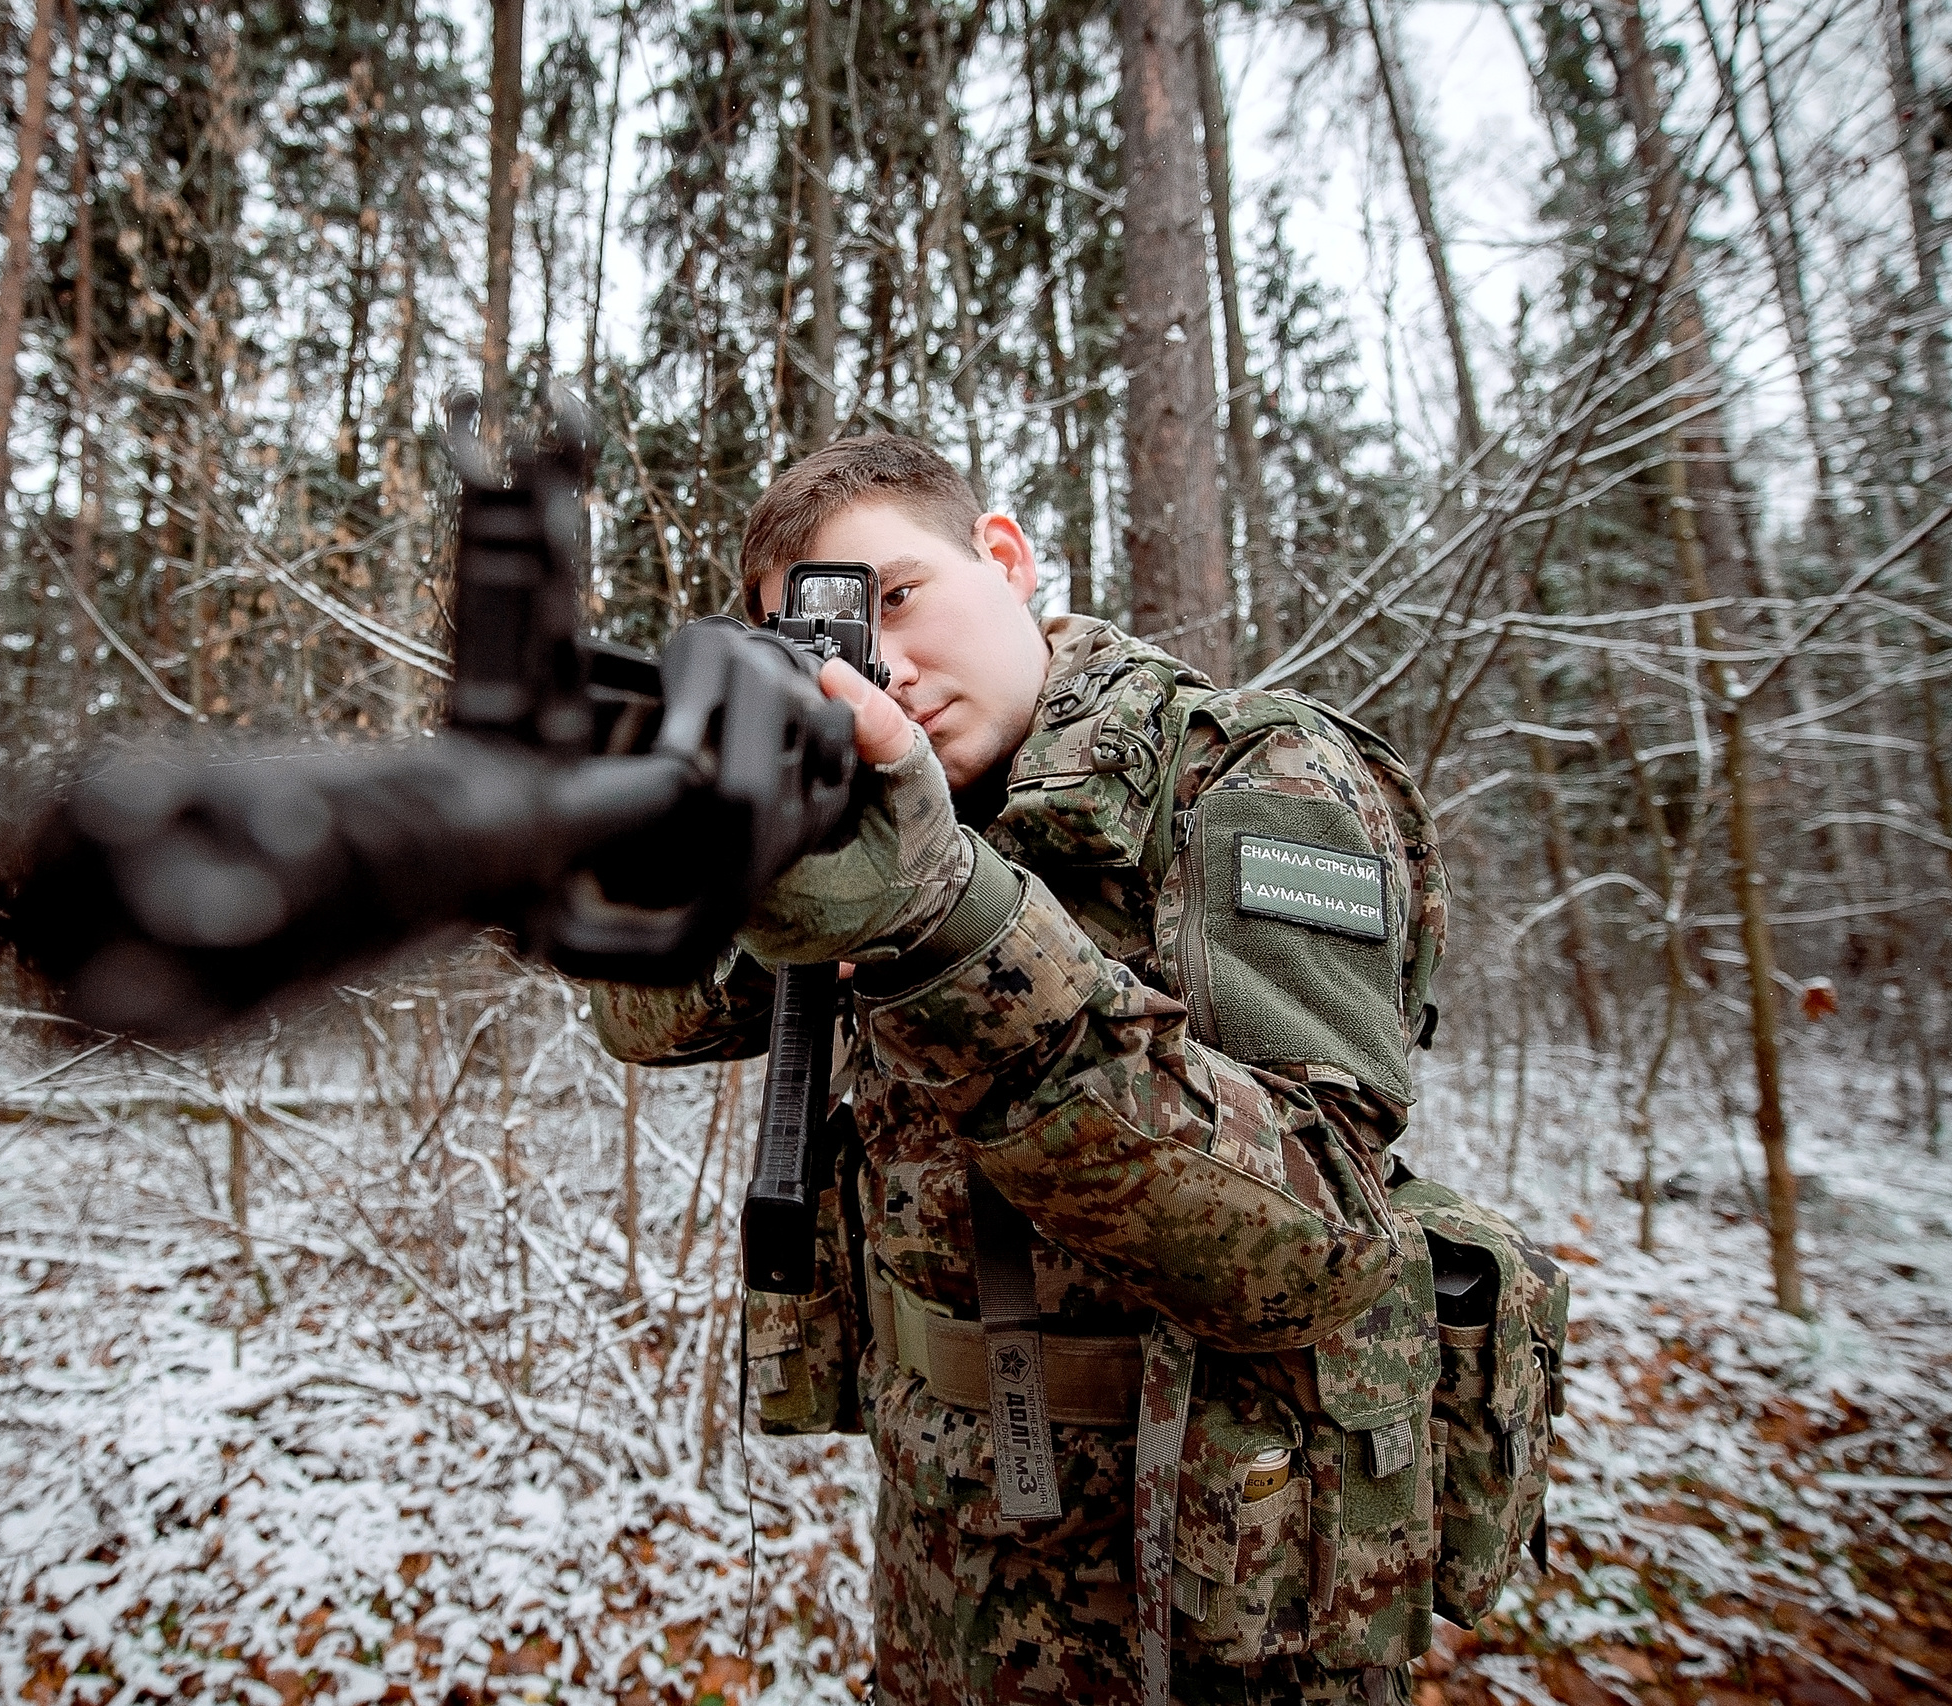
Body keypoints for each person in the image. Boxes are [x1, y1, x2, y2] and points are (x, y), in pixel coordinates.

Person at [590, 436, 1491, 1705]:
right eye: (826, 639)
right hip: (944, 1572)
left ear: (1005, 557)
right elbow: (655, 1021)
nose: (881, 665)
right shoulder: (869, 812)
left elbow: (1322, 1244)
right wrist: (623, 851)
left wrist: (946, 923)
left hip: (1215, 1599)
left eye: (897, 594)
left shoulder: (1248, 775)